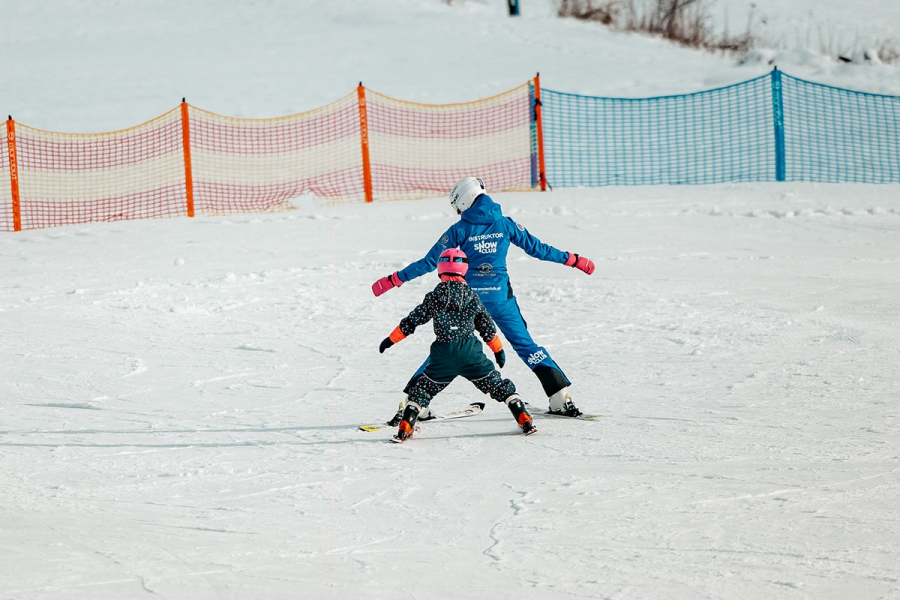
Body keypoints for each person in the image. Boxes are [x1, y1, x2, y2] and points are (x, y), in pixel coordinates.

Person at [372, 177, 595, 423]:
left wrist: (394, 279)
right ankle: (560, 396)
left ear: (464, 201)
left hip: (467, 300)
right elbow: (538, 249)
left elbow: (429, 262)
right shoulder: (505, 224)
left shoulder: (459, 229)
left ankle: (414, 404)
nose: (458, 211)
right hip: (501, 298)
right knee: (526, 345)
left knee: (448, 345)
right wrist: (572, 259)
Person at [378, 248, 536, 443]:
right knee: (496, 384)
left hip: (442, 354)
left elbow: (413, 320)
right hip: (471, 354)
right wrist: (498, 350)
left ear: (440, 269)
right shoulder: (473, 297)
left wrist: (391, 339)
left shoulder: (434, 296)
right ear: (464, 270)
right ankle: (522, 414)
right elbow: (487, 327)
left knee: (423, 389)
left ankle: (406, 424)